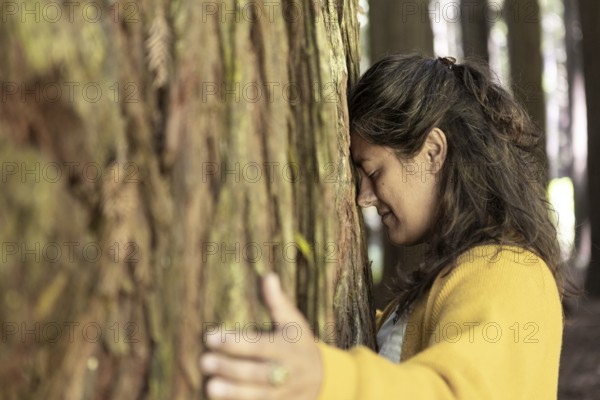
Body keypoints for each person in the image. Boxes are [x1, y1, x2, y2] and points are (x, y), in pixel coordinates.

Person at [199, 54, 568, 399]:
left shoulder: (509, 273)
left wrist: (326, 378)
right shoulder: (454, 281)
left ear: (433, 152)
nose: (363, 198)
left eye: (374, 172)